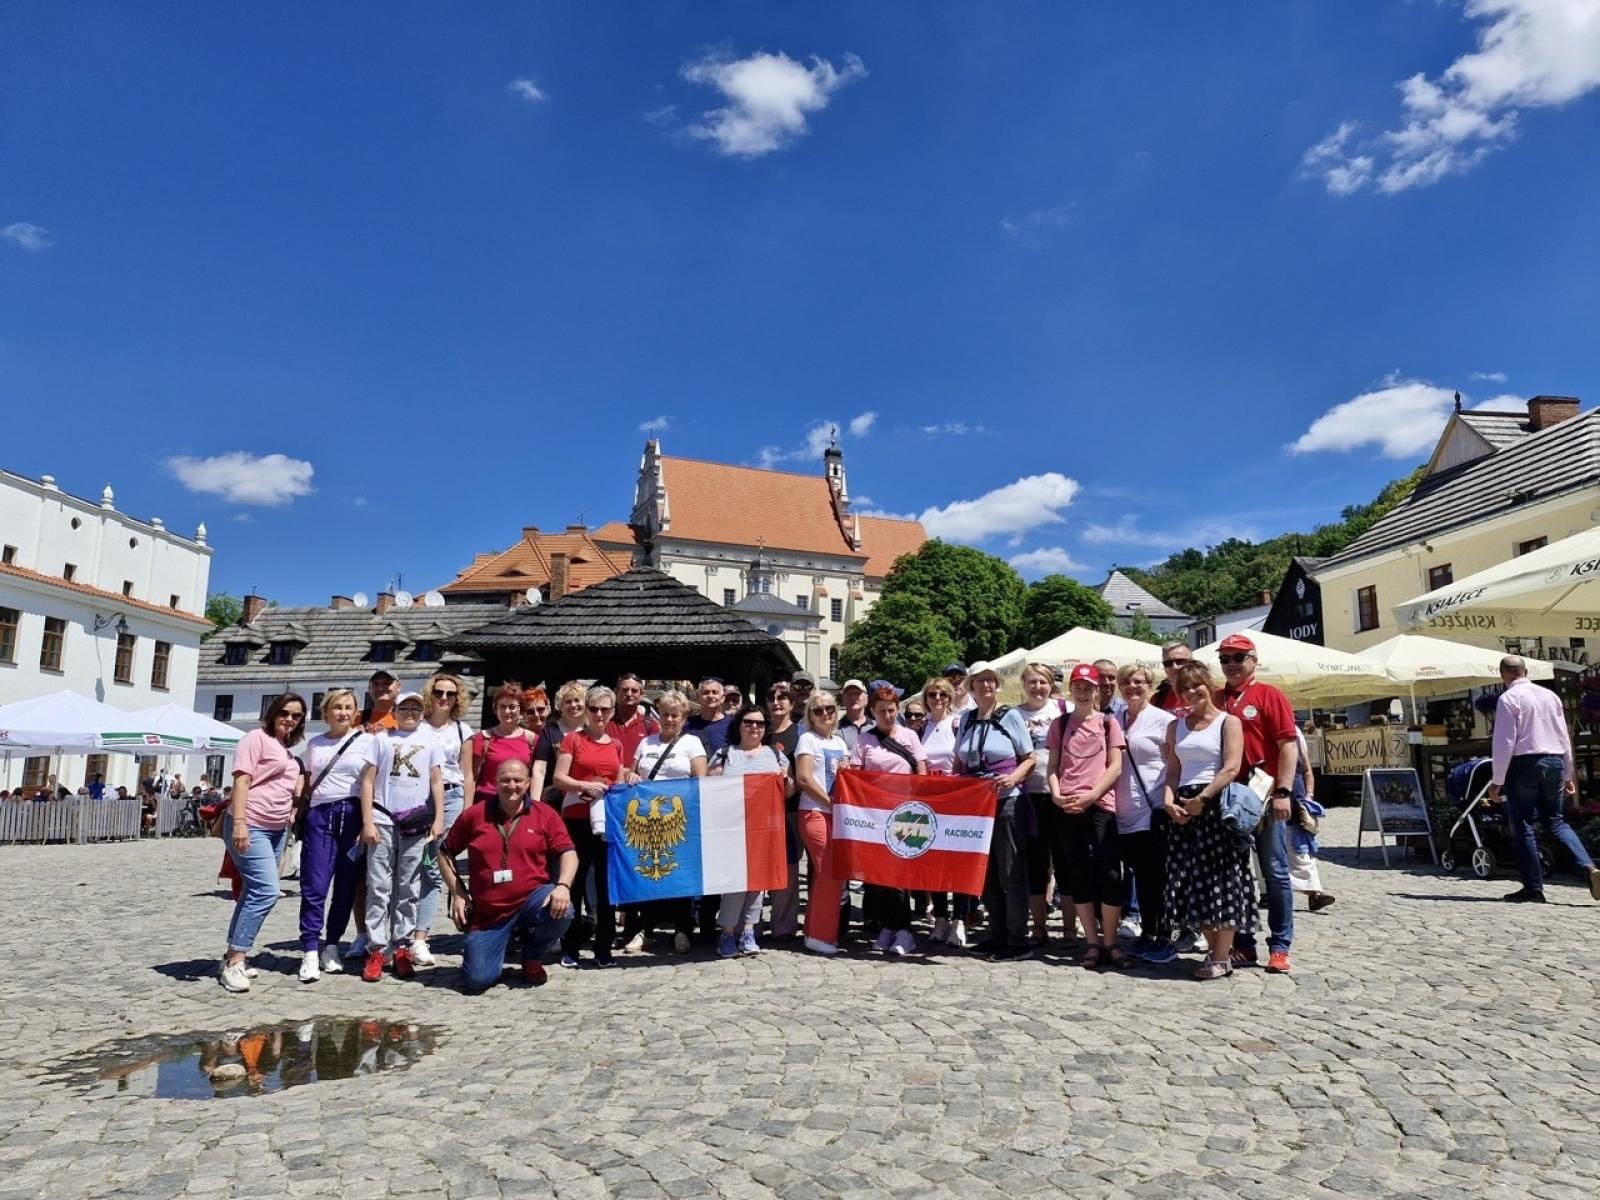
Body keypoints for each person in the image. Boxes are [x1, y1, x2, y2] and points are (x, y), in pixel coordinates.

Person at [437, 759, 577, 992]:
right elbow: (444, 852)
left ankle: (531, 956)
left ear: (528, 782)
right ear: (495, 783)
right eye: (505, 780)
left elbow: (569, 853)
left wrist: (563, 885)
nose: (512, 785)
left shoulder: (544, 813)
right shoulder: (475, 815)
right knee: (478, 980)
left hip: (532, 899)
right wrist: (458, 892)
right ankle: (496, 945)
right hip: (489, 912)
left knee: (565, 910)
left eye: (518, 780)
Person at [1162, 662, 1252, 981]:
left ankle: (1221, 956)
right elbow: (1172, 769)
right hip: (1183, 810)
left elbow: (1231, 767)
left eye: (1196, 685)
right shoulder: (1176, 727)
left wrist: (1204, 799)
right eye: (1184, 688)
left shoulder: (1229, 722)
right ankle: (1216, 953)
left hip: (1215, 806)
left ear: (1208, 685)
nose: (1191, 692)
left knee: (1221, 882)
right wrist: (1168, 800)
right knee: (1188, 884)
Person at [1215, 633, 1299, 973]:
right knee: (1235, 876)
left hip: (1263, 795)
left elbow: (1288, 745)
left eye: (1239, 657)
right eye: (1226, 658)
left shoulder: (1269, 695)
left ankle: (1280, 946)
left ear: (1254, 659)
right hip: (1226, 797)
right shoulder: (1216, 698)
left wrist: (1284, 791)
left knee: (1275, 871)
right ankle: (1243, 944)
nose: (1232, 664)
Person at [1488, 655, 1600, 903]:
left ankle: (1533, 888)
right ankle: (1589, 867)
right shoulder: (1551, 696)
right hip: (1555, 760)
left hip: (1525, 763)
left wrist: (1497, 781)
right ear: (1525, 671)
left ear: (1503, 674)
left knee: (1523, 824)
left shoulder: (1508, 698)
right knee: (1557, 821)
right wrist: (1568, 773)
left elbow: (1505, 742)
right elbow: (1564, 736)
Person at [219, 694, 307, 993]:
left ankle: (232, 956)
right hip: (251, 823)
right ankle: (235, 962)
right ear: (272, 712)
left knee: (251, 891)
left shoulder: (286, 748)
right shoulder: (255, 738)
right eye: (284, 712)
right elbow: (242, 781)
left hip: (276, 828)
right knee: (266, 892)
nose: (290, 719)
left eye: (296, 715)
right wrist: (240, 824)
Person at [357, 692, 445, 983]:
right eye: (405, 708)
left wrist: (439, 818)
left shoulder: (431, 741)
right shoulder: (382, 740)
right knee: (379, 886)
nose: (410, 712)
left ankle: (402, 947)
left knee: (409, 886)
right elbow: (368, 781)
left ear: (423, 712)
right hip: (383, 818)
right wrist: (367, 820)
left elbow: (435, 781)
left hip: (415, 821)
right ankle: (377, 948)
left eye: (416, 709)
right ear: (394, 710)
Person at [1048, 663, 1128, 969]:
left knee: (1110, 873)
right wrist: (1056, 795)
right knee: (1078, 872)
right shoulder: (1060, 724)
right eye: (1078, 687)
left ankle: (1110, 941)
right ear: (1071, 690)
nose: (1083, 693)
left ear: (1097, 690)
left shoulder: (1109, 723)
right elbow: (1052, 767)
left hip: (1100, 804)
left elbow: (1115, 766)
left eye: (1088, 688)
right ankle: (1092, 943)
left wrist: (1092, 795)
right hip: (1067, 804)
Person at [954, 662, 1036, 960]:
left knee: (1010, 870)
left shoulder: (1009, 715)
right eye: (980, 681)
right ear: (972, 686)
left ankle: (1017, 938)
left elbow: (1029, 758)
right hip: (975, 804)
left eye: (990, 680)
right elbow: (959, 762)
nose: (986, 685)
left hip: (1006, 800)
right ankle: (997, 931)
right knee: (985, 871)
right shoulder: (966, 719)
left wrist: (1013, 778)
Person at [297, 689, 373, 982]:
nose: (343, 712)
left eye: (348, 707)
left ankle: (332, 946)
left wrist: (368, 822)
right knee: (314, 886)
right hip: (321, 816)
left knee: (346, 887)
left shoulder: (367, 741)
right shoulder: (314, 744)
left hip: (353, 816)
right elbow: (304, 781)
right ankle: (310, 950)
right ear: (326, 712)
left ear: (355, 712)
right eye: (337, 707)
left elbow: (372, 781)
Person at [622, 689, 707, 953]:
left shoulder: (691, 743)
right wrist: (631, 777)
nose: (669, 720)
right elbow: (629, 772)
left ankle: (683, 929)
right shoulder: (646, 743)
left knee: (679, 873)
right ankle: (644, 929)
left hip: (680, 818)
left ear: (683, 717)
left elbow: (700, 780)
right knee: (649, 873)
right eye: (666, 714)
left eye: (674, 715)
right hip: (647, 819)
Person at [850, 684, 928, 957]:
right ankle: (887, 927)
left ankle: (904, 930)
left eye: (892, 710)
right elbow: (856, 776)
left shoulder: (909, 736)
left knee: (898, 877)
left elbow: (921, 771)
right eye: (882, 711)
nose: (887, 715)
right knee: (878, 876)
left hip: (904, 815)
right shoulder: (864, 740)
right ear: (872, 711)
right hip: (874, 815)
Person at [710, 702, 791, 956]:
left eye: (759, 723)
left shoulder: (775, 755)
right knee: (734, 883)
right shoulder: (725, 753)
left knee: (758, 882)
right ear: (739, 726)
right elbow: (710, 789)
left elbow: (788, 792)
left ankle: (748, 931)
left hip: (764, 829)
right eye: (749, 722)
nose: (754, 727)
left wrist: (785, 779)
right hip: (733, 829)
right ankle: (726, 933)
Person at [553, 685, 625, 967]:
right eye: (593, 708)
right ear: (586, 710)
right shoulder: (573, 740)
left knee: (605, 885)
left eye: (604, 709)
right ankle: (569, 946)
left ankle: (603, 948)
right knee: (575, 883)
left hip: (606, 822)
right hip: (576, 818)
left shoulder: (616, 744)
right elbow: (559, 778)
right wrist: (585, 785)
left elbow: (617, 780)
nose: (598, 714)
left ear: (611, 713)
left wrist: (625, 780)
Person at [1115, 664, 1177, 962]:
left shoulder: (1165, 721)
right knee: (1139, 875)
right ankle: (1147, 932)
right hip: (1122, 811)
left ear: (1150, 685)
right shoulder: (1114, 719)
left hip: (1152, 809)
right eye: (1125, 682)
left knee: (1157, 877)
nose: (1132, 687)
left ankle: (1164, 936)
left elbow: (1174, 765)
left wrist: (1168, 799)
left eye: (1138, 681)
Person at [413, 673, 474, 966]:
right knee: (407, 867)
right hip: (416, 798)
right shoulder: (417, 726)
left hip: (451, 797)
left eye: (451, 694)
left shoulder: (462, 730)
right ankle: (399, 933)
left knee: (435, 867)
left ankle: (421, 937)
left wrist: (468, 808)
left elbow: (468, 774)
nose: (444, 698)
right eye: (439, 692)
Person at [1016, 663, 1068, 946]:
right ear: (1024, 684)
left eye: (1043, 682)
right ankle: (1039, 926)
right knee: (1035, 864)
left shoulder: (1063, 709)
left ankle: (1070, 928)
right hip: (1028, 795)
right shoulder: (1014, 714)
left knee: (1065, 863)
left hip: (1060, 793)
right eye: (1033, 682)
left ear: (1051, 685)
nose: (1038, 687)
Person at [795, 690, 849, 956]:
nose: (825, 713)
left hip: (837, 814)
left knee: (826, 875)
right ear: (810, 715)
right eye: (818, 710)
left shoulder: (840, 742)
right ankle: (820, 934)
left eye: (829, 708)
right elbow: (803, 779)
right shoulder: (807, 739)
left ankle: (814, 931)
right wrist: (830, 802)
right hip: (815, 811)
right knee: (828, 871)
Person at [764, 681, 804, 940]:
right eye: (772, 698)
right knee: (760, 868)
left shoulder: (800, 734)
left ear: (791, 703)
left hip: (790, 810)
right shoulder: (758, 730)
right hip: (759, 812)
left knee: (788, 869)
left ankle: (784, 926)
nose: (776, 702)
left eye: (782, 698)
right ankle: (751, 924)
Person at [463, 684, 537, 807]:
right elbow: (472, 777)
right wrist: (468, 809)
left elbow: (535, 776)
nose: (507, 711)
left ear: (520, 709)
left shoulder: (532, 739)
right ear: (495, 710)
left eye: (512, 707)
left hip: (518, 804)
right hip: (487, 803)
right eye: (502, 707)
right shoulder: (483, 738)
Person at [1288, 727, 1336, 912]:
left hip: (1298, 800)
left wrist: (1309, 795)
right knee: (1292, 848)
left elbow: (1307, 769)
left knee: (1300, 847)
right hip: (1276, 799)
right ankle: (1314, 893)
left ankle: (1314, 893)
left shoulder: (1296, 732)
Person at [531, 682, 588, 807]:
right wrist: (534, 803)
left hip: (587, 797)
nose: (573, 705)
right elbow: (539, 769)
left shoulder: (592, 730)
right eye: (568, 702)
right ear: (560, 706)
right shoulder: (550, 731)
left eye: (577, 700)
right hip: (554, 799)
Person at [607, 674, 660, 766]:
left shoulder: (651, 725)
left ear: (641, 695)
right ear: (616, 692)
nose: (629, 694)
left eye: (634, 691)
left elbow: (655, 759)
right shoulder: (604, 722)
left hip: (638, 780)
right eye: (625, 689)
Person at [686, 677, 735, 755]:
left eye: (715, 692)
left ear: (722, 698)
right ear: (698, 698)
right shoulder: (687, 724)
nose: (710, 696)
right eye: (705, 692)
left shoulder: (733, 724)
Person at [1152, 641, 1193, 714]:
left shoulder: (1213, 694)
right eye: (1168, 663)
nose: (1174, 667)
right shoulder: (1157, 699)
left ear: (1192, 663)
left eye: (1180, 661)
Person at [836, 680, 871, 751]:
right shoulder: (835, 729)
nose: (853, 697)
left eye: (857, 693)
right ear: (843, 699)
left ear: (866, 699)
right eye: (849, 694)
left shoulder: (877, 727)